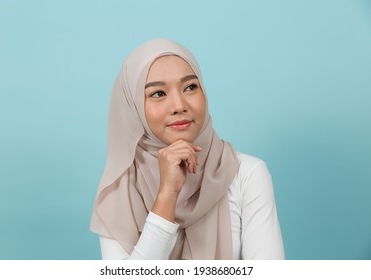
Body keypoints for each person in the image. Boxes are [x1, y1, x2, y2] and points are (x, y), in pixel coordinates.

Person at [90, 39, 285, 260]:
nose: (179, 105)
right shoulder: (120, 189)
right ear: (133, 106)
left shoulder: (246, 174)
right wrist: (167, 195)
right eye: (158, 93)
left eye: (190, 87)